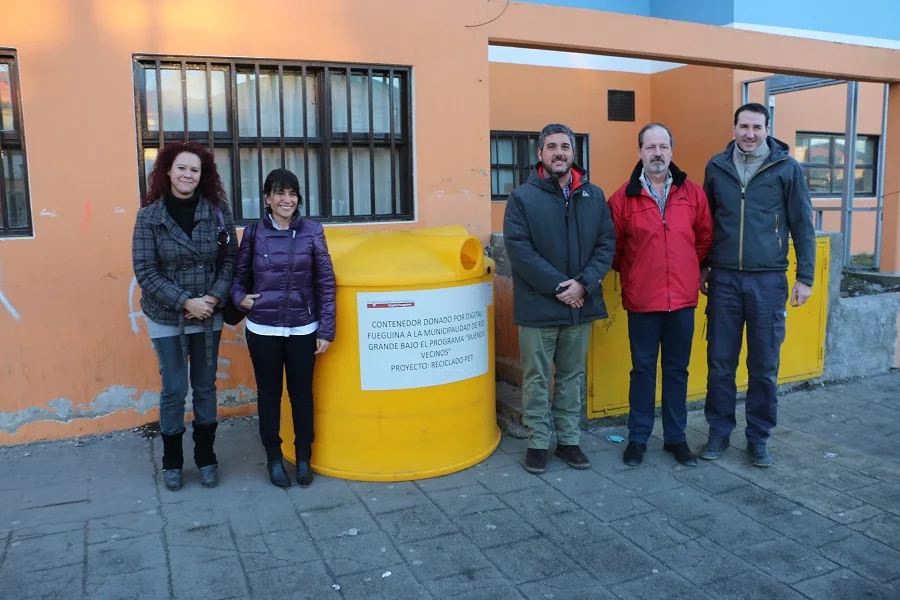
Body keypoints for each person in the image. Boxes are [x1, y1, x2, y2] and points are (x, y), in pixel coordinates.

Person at [700, 102, 816, 467]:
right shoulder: (716, 167)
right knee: (720, 362)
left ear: (767, 129)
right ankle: (718, 432)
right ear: (733, 128)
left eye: (757, 127)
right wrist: (703, 266)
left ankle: (758, 437)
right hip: (724, 280)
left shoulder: (786, 167)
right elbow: (706, 223)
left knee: (764, 365)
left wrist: (806, 277)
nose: (749, 134)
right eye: (743, 126)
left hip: (768, 281)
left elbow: (803, 224)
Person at [503, 123, 616, 474]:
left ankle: (568, 440)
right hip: (539, 305)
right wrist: (561, 287)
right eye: (551, 147)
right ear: (540, 154)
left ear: (573, 153)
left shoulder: (593, 196)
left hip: (580, 304)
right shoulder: (522, 197)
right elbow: (519, 250)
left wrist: (583, 284)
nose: (559, 153)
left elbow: (606, 244)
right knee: (537, 378)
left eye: (565, 146)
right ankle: (538, 442)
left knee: (571, 376)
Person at [132, 141, 237, 491]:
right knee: (175, 388)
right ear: (167, 172)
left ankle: (206, 457)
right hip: (166, 316)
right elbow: (145, 271)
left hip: (209, 312)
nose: (187, 174)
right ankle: (172, 461)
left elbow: (230, 262)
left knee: (205, 387)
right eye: (181, 168)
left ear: (201, 175)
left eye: (194, 169)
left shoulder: (218, 211)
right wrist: (185, 302)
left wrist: (213, 297)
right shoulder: (149, 216)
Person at [608, 123, 713, 468]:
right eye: (650, 147)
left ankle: (676, 438)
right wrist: (640, 274)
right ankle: (638, 438)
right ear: (639, 152)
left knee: (677, 371)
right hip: (642, 300)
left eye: (663, 146)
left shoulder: (693, 194)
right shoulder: (622, 198)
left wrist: (682, 270)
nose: (657, 153)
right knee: (642, 370)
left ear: (672, 151)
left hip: (682, 299)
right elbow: (615, 249)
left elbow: (703, 239)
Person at [231, 168, 336, 489]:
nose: (286, 199)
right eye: (279, 193)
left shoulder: (313, 232)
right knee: (268, 396)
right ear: (267, 198)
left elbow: (326, 282)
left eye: (292, 193)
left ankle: (303, 457)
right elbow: (238, 277)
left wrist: (326, 329)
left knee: (302, 396)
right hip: (263, 329)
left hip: (304, 329)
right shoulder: (253, 233)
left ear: (298, 198)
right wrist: (239, 298)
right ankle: (274, 459)